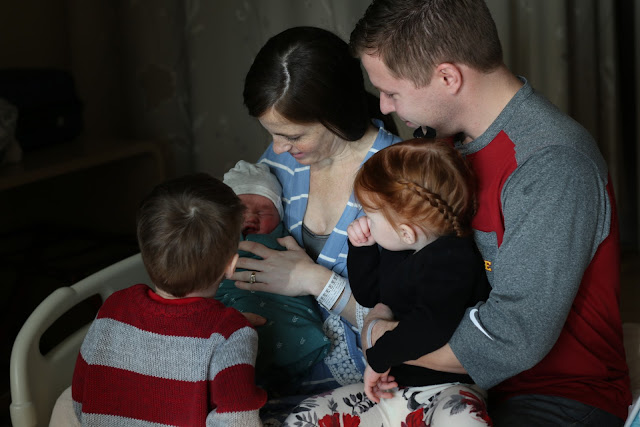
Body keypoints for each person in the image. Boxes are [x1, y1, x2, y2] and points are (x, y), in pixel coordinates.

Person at [344, 0, 631, 425]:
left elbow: (511, 336)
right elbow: (408, 268)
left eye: (392, 92)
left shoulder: (551, 162)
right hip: (456, 384)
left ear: (447, 77)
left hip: (558, 395)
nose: (384, 107)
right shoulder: (441, 150)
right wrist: (379, 323)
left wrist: (381, 339)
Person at [231, 25, 402, 398]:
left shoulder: (398, 176)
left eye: (293, 136)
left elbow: (410, 324)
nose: (277, 149)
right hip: (267, 372)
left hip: (367, 384)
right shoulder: (280, 164)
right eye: (271, 134)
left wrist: (315, 281)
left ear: (335, 113)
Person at [284, 139, 493, 426]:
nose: (365, 220)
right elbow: (370, 296)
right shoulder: (402, 250)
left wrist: (378, 358)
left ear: (406, 231)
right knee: (307, 415)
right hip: (393, 393)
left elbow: (431, 326)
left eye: (370, 215)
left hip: (448, 390)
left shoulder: (452, 260)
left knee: (463, 418)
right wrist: (363, 248)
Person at [70, 173, 267, 426]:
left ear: (146, 252)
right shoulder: (231, 334)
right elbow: (238, 421)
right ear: (231, 265)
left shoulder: (113, 307)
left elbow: (81, 400)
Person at [217, 160, 330, 394]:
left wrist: (251, 279)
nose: (251, 217)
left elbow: (295, 272)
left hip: (284, 316)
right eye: (240, 210)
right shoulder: (215, 242)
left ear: (279, 218)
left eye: (263, 212)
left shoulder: (284, 242)